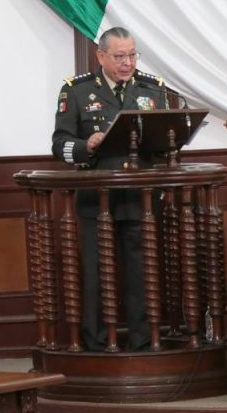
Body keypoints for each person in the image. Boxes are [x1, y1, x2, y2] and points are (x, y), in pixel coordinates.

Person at [51, 26, 168, 352]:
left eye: (132, 55)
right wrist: (86, 145)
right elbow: (59, 145)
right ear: (100, 56)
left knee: (142, 273)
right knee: (96, 273)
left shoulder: (152, 89)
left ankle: (144, 342)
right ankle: (96, 343)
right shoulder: (76, 91)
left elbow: (164, 141)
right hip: (96, 198)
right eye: (119, 56)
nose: (127, 63)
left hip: (141, 197)